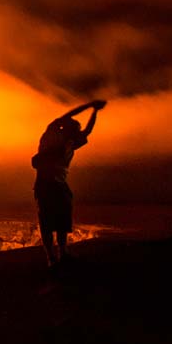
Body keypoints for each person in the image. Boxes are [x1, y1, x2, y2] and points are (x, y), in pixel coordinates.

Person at [32, 99, 105, 268]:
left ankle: (63, 254)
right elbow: (68, 116)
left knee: (63, 219)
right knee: (47, 222)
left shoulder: (69, 143)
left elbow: (88, 131)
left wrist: (95, 112)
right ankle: (51, 258)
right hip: (46, 185)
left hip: (59, 184)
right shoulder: (51, 135)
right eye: (75, 130)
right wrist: (90, 106)